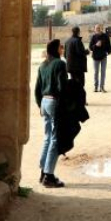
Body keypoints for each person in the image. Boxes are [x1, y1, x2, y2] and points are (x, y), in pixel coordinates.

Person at [33, 39, 68, 188]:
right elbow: (62, 87)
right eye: (60, 47)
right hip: (54, 101)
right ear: (56, 49)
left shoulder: (42, 65)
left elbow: (37, 89)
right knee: (55, 139)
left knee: (47, 137)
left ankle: (43, 172)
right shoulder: (60, 64)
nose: (62, 49)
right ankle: (49, 175)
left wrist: (40, 105)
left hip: (45, 102)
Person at [89, 23, 111, 92]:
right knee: (96, 72)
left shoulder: (105, 36)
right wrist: (96, 45)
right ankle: (96, 87)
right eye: (96, 28)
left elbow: (109, 46)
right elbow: (90, 47)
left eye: (99, 28)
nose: (98, 29)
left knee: (103, 72)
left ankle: (102, 87)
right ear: (94, 30)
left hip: (103, 57)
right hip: (95, 57)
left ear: (101, 29)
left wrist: (108, 52)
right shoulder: (93, 37)